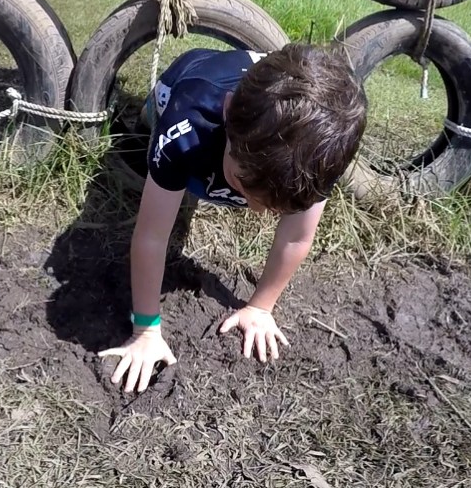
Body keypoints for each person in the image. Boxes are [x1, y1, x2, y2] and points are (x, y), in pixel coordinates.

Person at [98, 42, 368, 393]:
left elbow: (296, 237)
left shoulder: (322, 154)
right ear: (228, 114)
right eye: (244, 188)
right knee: (161, 150)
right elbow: (151, 235)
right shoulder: (188, 119)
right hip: (184, 84)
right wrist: (146, 330)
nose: (256, 211)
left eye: (272, 207)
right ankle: (149, 117)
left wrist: (261, 307)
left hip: (247, 131)